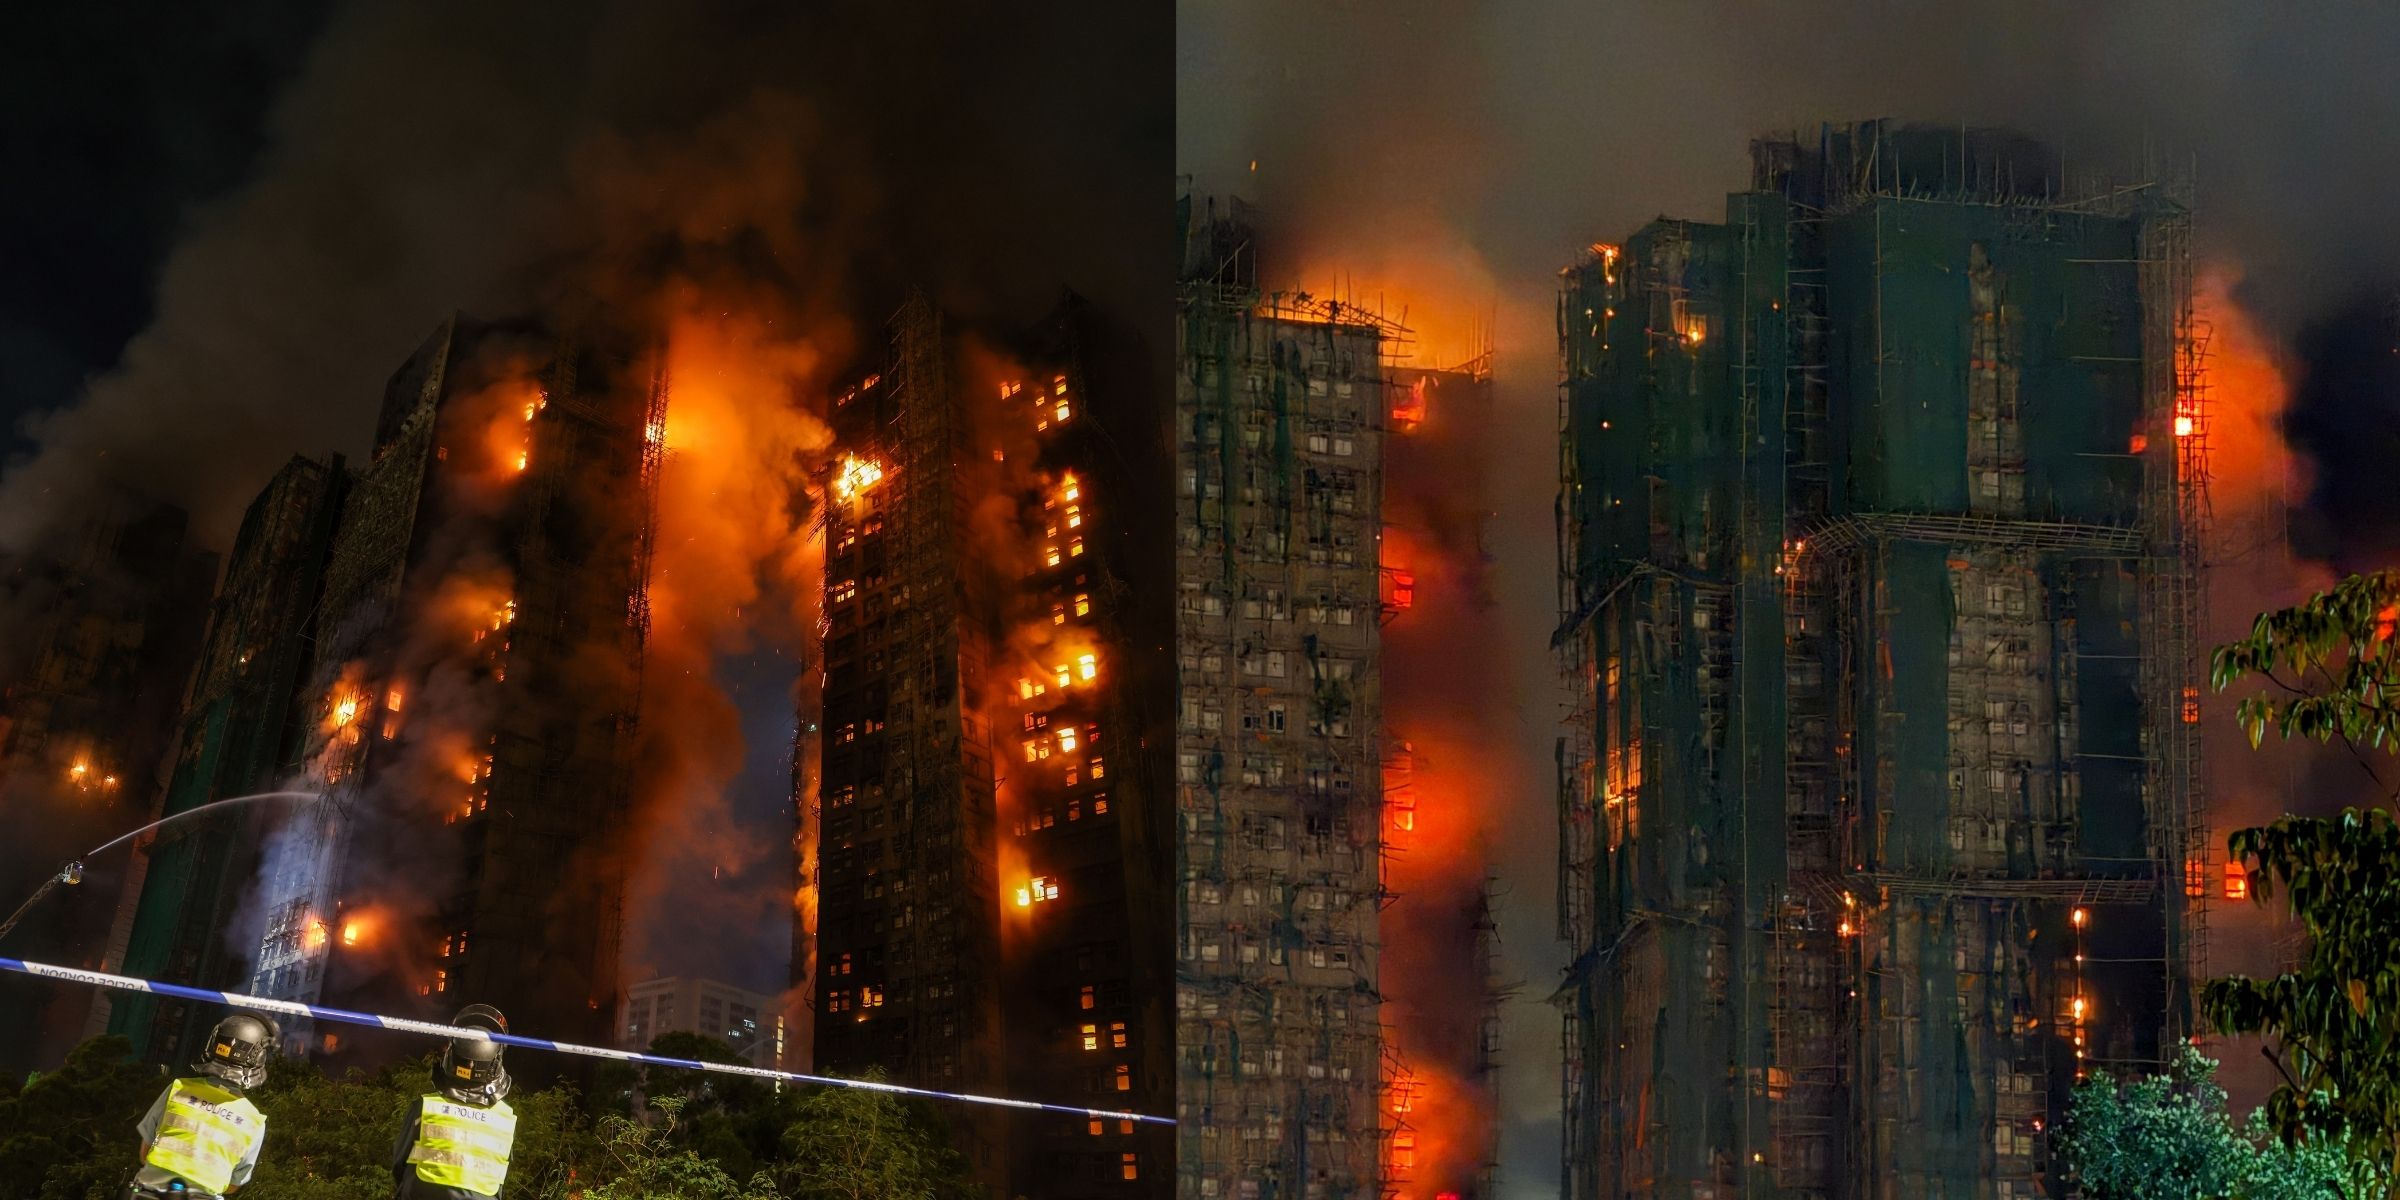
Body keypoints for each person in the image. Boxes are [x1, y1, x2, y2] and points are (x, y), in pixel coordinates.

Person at [128, 1013, 276, 1198]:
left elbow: (144, 1153)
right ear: (258, 1059)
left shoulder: (178, 1089)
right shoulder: (254, 1122)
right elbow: (232, 1185)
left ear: (213, 1044)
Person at [391, 1005, 516, 1199]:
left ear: (451, 1055)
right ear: (496, 1060)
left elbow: (398, 1164)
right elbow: (500, 1182)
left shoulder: (426, 1107)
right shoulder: (506, 1120)